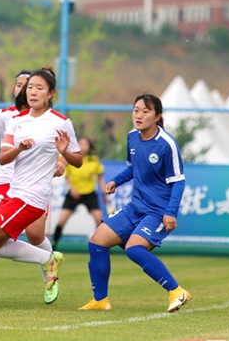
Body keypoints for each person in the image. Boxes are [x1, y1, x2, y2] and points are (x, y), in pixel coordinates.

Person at [0, 67, 82, 304]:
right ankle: (47, 259)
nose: (31, 92)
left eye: (38, 88)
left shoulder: (62, 123)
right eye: (29, 87)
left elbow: (78, 160)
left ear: (50, 94)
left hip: (32, 197)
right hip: (12, 192)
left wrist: (64, 153)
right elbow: (4, 158)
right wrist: (19, 149)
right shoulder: (16, 120)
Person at [79, 93, 190, 312]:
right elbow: (133, 167)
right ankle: (100, 300)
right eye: (136, 110)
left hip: (157, 212)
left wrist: (171, 212)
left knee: (133, 249)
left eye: (145, 111)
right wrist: (115, 181)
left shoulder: (167, 144)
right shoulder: (132, 137)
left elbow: (178, 182)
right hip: (135, 207)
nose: (138, 115)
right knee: (97, 241)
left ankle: (177, 291)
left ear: (157, 116)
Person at [52, 137, 108, 250]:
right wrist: (72, 189)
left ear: (89, 147)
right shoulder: (71, 158)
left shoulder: (94, 160)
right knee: (61, 220)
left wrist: (104, 192)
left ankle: (104, 246)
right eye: (80, 144)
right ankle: (53, 245)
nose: (82, 146)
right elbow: (66, 177)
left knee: (100, 220)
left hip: (89, 194)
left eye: (85, 144)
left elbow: (100, 178)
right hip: (74, 194)